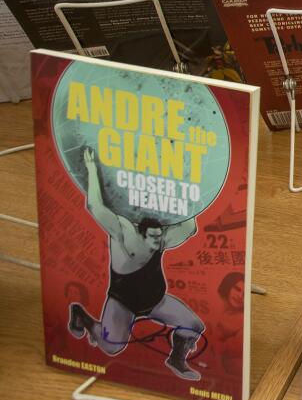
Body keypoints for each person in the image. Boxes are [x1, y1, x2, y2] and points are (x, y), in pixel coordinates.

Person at [67, 146, 205, 381]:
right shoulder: (123, 232)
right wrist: (91, 169)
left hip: (154, 301)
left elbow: (189, 228)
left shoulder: (160, 237)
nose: (158, 240)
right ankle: (83, 317)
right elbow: (95, 207)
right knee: (111, 347)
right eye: (153, 237)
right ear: (141, 233)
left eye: (160, 236)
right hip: (123, 302)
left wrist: (187, 182)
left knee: (193, 324)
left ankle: (176, 359)